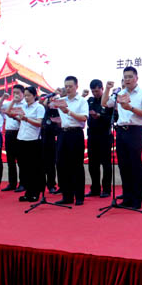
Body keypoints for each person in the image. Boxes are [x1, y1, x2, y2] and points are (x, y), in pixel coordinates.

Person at [102, 66, 142, 210]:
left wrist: (130, 108)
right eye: (125, 77)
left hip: (135, 131)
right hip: (121, 132)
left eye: (130, 77)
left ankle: (137, 199)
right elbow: (104, 103)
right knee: (123, 166)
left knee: (135, 165)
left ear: (136, 78)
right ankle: (127, 198)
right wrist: (107, 89)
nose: (127, 79)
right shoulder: (120, 93)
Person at [55, 76, 89, 206]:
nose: (68, 89)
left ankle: (79, 196)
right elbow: (44, 103)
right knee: (62, 165)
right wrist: (54, 94)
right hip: (63, 134)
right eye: (66, 86)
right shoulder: (61, 101)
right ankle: (67, 196)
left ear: (76, 87)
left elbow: (83, 118)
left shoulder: (82, 101)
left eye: (70, 86)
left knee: (76, 165)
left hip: (76, 133)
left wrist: (68, 112)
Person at [8, 86, 45, 202]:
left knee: (34, 168)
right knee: (24, 167)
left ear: (34, 95)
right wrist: (13, 101)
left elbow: (40, 123)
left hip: (33, 140)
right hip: (21, 139)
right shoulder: (23, 107)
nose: (27, 98)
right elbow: (8, 113)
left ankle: (35, 192)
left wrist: (26, 119)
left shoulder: (39, 107)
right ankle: (28, 192)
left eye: (29, 95)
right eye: (25, 95)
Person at [86, 79, 113, 198]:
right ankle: (95, 188)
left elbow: (111, 118)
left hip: (104, 135)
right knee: (93, 164)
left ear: (102, 89)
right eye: (93, 91)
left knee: (106, 163)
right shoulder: (90, 101)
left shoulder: (108, 101)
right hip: (92, 135)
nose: (95, 93)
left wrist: (99, 116)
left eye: (97, 91)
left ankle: (106, 189)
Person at [0, 84, 26, 192]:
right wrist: (6, 99)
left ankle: (23, 183)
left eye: (18, 93)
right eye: (14, 93)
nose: (15, 95)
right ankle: (12, 183)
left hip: (19, 132)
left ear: (23, 94)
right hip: (9, 133)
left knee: (21, 160)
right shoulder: (9, 104)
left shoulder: (25, 104)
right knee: (10, 160)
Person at [40, 93, 61, 194]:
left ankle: (51, 185)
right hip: (40, 139)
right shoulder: (40, 110)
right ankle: (40, 185)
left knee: (51, 164)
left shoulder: (56, 111)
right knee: (40, 164)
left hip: (51, 139)